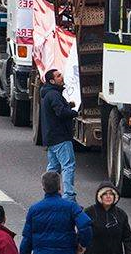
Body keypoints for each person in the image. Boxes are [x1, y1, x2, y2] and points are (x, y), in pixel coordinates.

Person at [19, 171, 92, 254]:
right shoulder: (71, 206)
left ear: (43, 188)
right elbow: (85, 225)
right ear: (59, 187)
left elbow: (27, 239)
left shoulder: (34, 209)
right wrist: (82, 244)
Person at [40, 69, 79, 202]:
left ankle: (49, 193)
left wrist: (67, 105)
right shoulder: (54, 95)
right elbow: (61, 112)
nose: (61, 77)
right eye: (58, 76)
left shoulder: (48, 94)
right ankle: (69, 196)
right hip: (60, 137)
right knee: (68, 165)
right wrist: (74, 113)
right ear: (52, 81)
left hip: (51, 138)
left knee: (53, 168)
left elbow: (56, 110)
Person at [83, 182, 131, 254]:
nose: (108, 196)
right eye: (105, 194)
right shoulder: (89, 212)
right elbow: (82, 235)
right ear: (99, 196)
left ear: (115, 197)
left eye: (111, 194)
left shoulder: (121, 214)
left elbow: (128, 237)